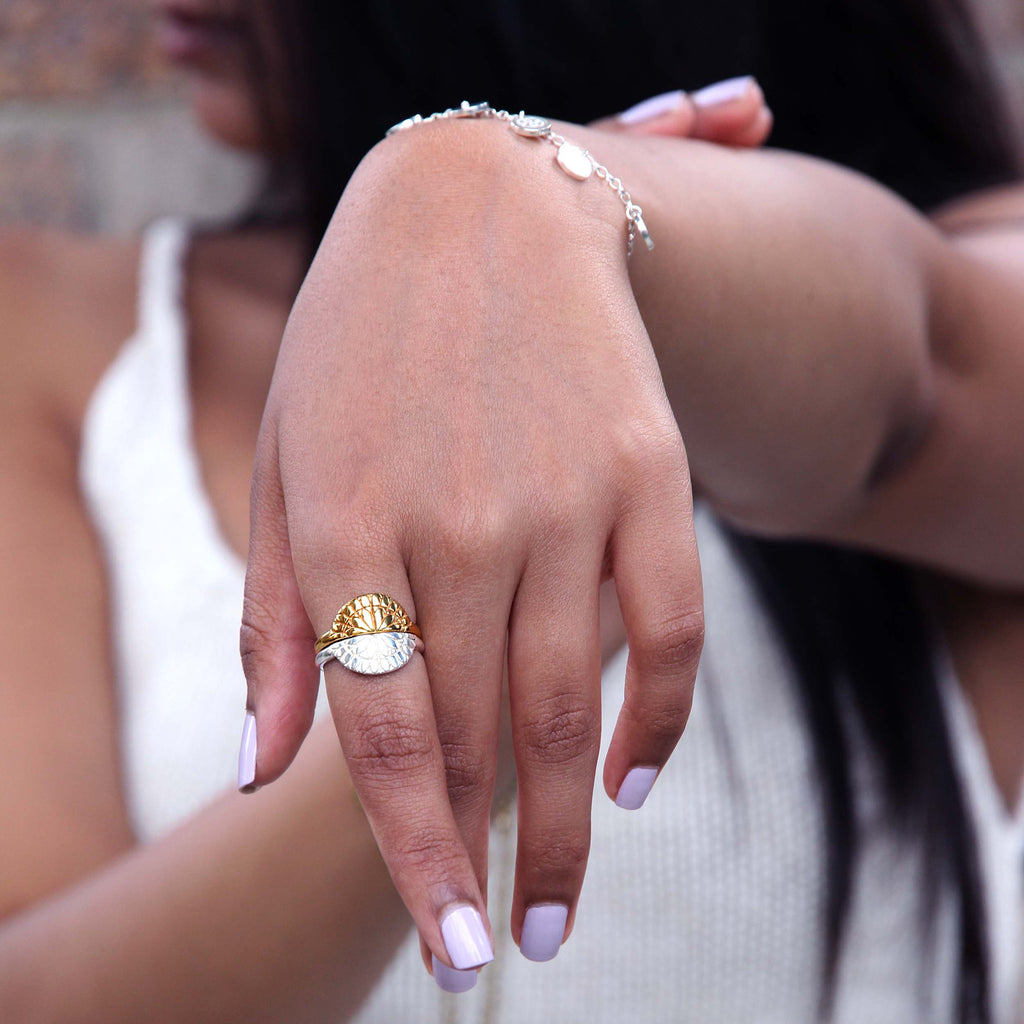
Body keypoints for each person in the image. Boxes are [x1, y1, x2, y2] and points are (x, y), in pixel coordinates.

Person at [0, 4, 1021, 1024]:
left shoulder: (968, 287)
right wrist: (459, 660)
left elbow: (920, 368)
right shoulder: (63, 331)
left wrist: (504, 187)